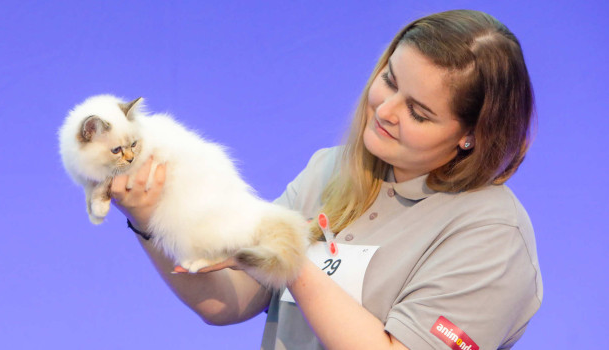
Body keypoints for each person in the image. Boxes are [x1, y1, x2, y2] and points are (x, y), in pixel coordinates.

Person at [111, 9, 542, 350]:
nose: (386, 110)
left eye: (418, 112)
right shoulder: (329, 170)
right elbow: (231, 300)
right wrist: (150, 219)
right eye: (389, 80)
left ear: (471, 135)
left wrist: (291, 262)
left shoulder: (492, 236)